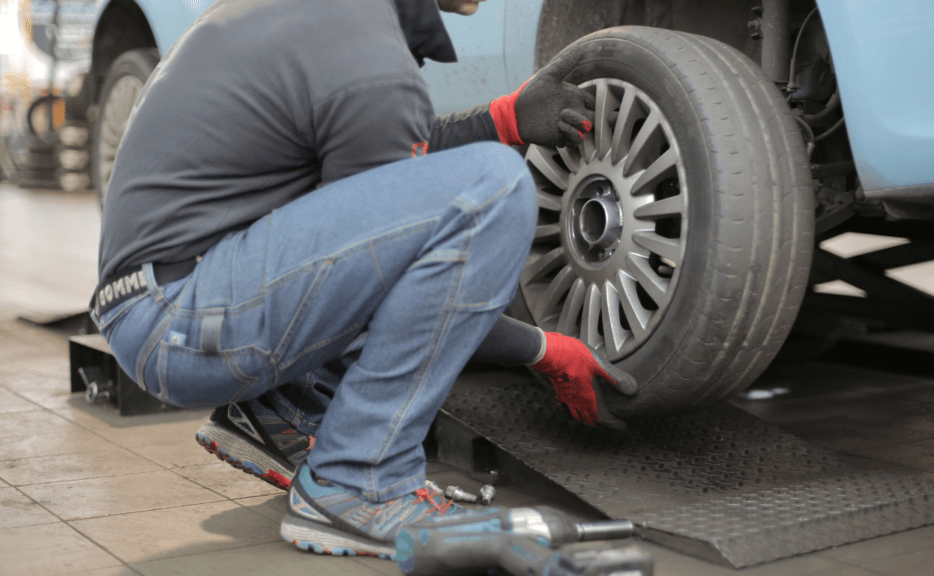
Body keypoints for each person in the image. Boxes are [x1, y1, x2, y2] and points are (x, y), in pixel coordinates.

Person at [90, 0, 637, 559]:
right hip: (185, 321)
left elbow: (380, 183)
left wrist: (503, 120)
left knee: (448, 192)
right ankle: (359, 480)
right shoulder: (366, 50)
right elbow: (391, 267)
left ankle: (284, 408)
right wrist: (541, 348)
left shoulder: (333, 17)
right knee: (491, 190)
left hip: (162, 304)